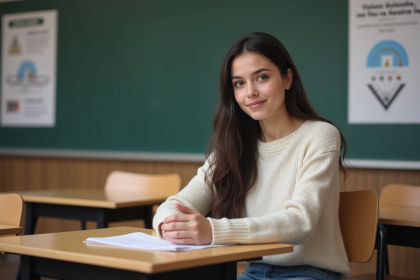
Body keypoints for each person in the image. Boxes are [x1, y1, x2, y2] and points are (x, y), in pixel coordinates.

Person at [153, 32, 351, 280]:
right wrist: (168, 225)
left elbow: (300, 223)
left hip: (311, 273)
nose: (250, 92)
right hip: (254, 273)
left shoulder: (320, 135)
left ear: (287, 78)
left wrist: (213, 230)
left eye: (262, 77)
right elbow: (174, 205)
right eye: (239, 83)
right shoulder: (233, 146)